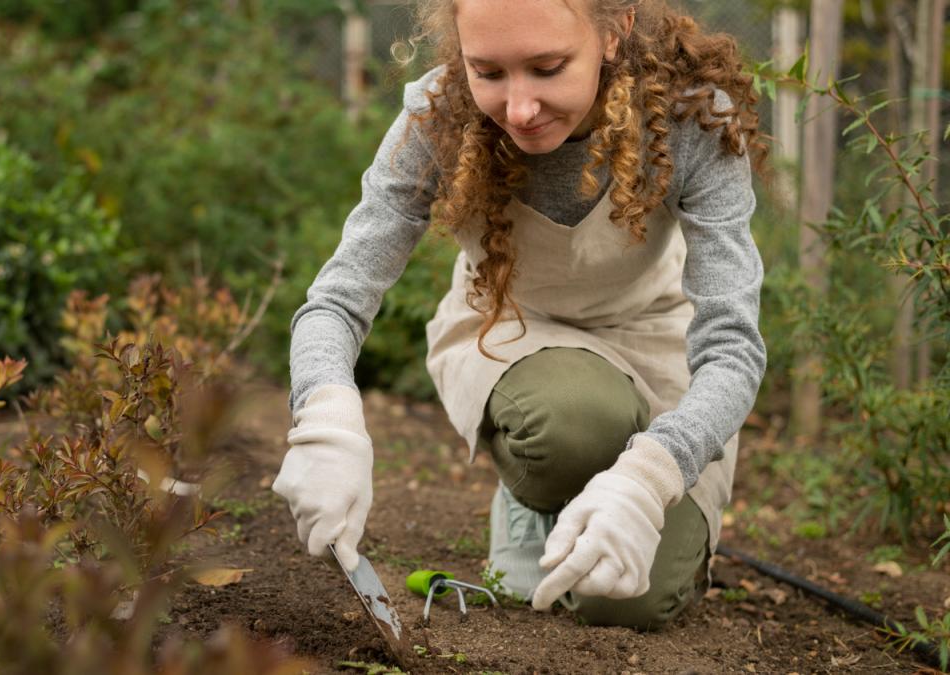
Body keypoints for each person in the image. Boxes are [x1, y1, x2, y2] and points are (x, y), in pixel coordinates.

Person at [272, 0, 767, 631]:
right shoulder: (439, 113)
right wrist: (326, 412)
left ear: (613, 33)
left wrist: (649, 478)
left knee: (627, 599)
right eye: (490, 72)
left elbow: (733, 347)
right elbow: (338, 297)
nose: (520, 109)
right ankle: (536, 497)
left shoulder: (692, 117)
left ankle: (602, 496)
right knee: (573, 422)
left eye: (547, 67)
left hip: (653, 335)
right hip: (514, 330)